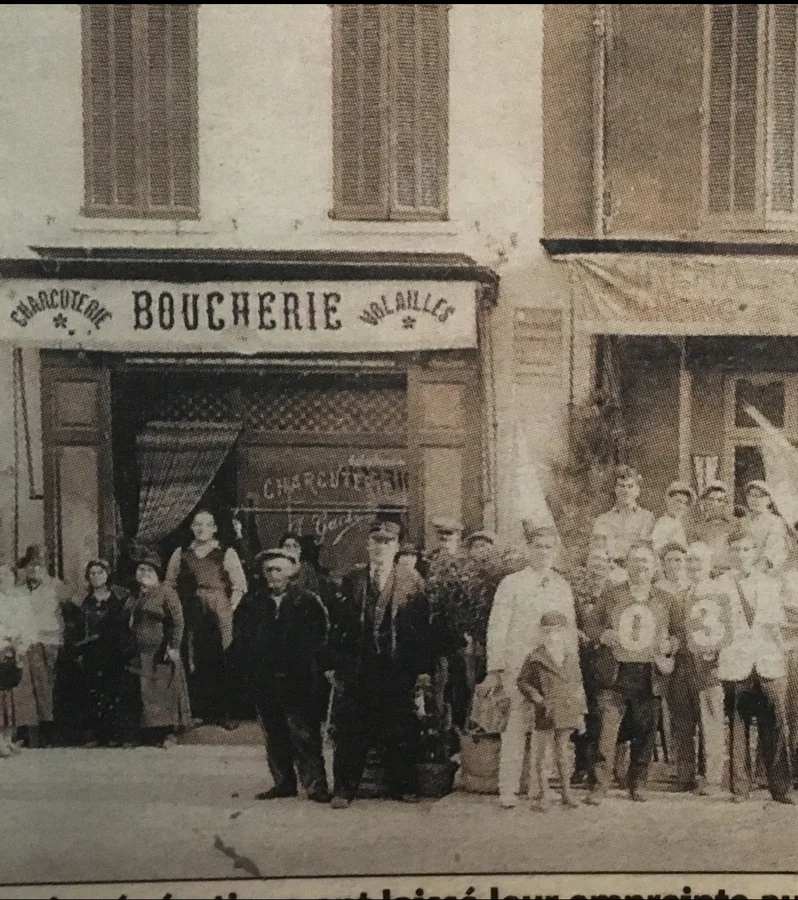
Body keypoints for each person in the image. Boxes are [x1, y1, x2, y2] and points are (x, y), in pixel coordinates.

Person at [326, 517, 432, 809]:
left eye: (387, 542)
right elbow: (337, 626)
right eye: (376, 542)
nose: (381, 548)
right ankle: (344, 790)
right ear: (368, 545)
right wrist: (334, 665)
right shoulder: (352, 580)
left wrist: (422, 671)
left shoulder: (412, 581)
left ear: (396, 546)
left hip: (397, 666)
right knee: (351, 728)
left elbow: (421, 630)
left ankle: (405, 786)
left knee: (400, 725)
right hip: (359, 667)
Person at [485, 523, 577, 809]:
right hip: (518, 667)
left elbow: (569, 630)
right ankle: (508, 788)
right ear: (529, 550)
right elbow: (497, 627)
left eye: (549, 547)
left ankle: (540, 787)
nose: (544, 552)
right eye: (538, 546)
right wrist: (496, 667)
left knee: (546, 727)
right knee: (515, 726)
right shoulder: (512, 584)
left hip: (550, 670)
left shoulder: (561, 585)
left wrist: (569, 670)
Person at [228, 548, 330, 803]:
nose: (273, 575)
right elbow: (240, 639)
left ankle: (315, 785)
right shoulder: (252, 603)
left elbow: (320, 640)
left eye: (279, 569)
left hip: (299, 680)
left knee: (304, 733)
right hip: (265, 680)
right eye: (269, 570)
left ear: (292, 572)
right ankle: (283, 783)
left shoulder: (307, 602)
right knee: (274, 734)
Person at [588, 541, 676, 804]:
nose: (640, 567)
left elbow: (679, 633)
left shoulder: (666, 599)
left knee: (646, 730)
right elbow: (592, 622)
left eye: (646, 562)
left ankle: (637, 783)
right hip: (615, 673)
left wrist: (669, 645)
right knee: (606, 730)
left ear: (654, 567)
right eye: (635, 561)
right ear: (626, 565)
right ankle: (598, 786)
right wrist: (603, 634)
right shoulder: (612, 594)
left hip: (649, 675)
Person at [717, 530, 795, 804]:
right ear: (729, 553)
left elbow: (778, 624)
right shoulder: (719, 586)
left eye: (747, 550)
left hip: (768, 661)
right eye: (736, 550)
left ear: (755, 553)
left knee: (775, 726)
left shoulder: (771, 584)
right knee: (738, 727)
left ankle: (781, 788)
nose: (741, 555)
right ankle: (739, 787)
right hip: (736, 662)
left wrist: (782, 653)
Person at [166, 509, 247, 729]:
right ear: (191, 528)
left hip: (219, 608)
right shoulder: (180, 553)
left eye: (207, 524)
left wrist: (228, 608)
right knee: (193, 656)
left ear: (214, 528)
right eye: (197, 524)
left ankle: (225, 713)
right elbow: (169, 585)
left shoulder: (226, 552)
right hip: (191, 609)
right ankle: (197, 712)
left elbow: (239, 586)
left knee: (223, 656)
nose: (202, 529)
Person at [666, 542, 732, 795]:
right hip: (682, 666)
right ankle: (685, 773)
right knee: (681, 720)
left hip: (708, 666)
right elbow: (673, 630)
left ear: (708, 564)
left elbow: (727, 630)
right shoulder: (680, 595)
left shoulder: (719, 593)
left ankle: (712, 777)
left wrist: (716, 650)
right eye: (689, 562)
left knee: (711, 720)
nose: (693, 567)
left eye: (698, 562)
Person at [57, 560, 139, 747]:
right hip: (90, 651)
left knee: (113, 691)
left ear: (107, 574)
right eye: (92, 574)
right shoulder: (84, 601)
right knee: (92, 691)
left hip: (112, 651)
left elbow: (124, 624)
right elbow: (77, 627)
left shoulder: (118, 598)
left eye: (99, 573)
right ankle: (94, 735)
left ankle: (115, 734)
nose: (95, 577)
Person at [517, 610, 587, 811]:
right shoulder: (535, 657)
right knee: (542, 754)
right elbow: (522, 681)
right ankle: (544, 795)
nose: (552, 635)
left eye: (557, 631)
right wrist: (536, 697)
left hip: (566, 709)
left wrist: (581, 712)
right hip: (546, 710)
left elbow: (577, 685)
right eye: (547, 631)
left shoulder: (570, 656)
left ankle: (567, 792)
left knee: (563, 752)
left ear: (564, 632)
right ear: (541, 633)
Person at [571, 546, 626, 787]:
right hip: (580, 660)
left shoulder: (617, 593)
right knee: (582, 714)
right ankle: (581, 765)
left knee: (607, 714)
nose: (598, 570)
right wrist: (581, 635)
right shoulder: (576, 593)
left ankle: (613, 768)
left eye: (603, 565)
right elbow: (569, 621)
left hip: (607, 662)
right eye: (594, 565)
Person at [128, 552, 192, 746]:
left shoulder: (166, 592)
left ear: (158, 573)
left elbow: (178, 621)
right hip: (142, 653)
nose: (144, 573)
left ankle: (168, 734)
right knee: (148, 694)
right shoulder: (136, 595)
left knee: (164, 690)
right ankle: (151, 734)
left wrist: (173, 647)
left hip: (161, 651)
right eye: (141, 569)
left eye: (149, 570)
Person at [16, 545, 70, 747]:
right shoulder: (20, 588)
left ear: (45, 566)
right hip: (29, 642)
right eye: (31, 565)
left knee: (49, 686)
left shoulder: (56, 587)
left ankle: (49, 731)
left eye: (39, 565)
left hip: (51, 641)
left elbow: (68, 614)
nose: (34, 569)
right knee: (30, 688)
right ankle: (32, 733)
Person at [0, 564, 37, 757]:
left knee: (13, 698)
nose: (3, 579)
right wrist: (5, 642)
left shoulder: (22, 599)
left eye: (7, 575)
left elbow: (29, 623)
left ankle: (9, 738)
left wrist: (22, 643)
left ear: (14, 577)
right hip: (1, 650)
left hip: (18, 651)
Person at [591, 466, 655, 566]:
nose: (625, 491)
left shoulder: (647, 518)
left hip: (636, 568)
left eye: (630, 486)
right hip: (609, 569)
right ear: (615, 489)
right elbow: (598, 549)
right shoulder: (603, 520)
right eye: (621, 486)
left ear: (637, 490)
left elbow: (644, 548)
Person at [742, 480, 790, 574]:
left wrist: (754, 570)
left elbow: (774, 550)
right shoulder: (743, 521)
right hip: (743, 569)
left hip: (764, 572)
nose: (754, 499)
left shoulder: (775, 521)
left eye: (759, 496)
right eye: (751, 495)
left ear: (768, 500)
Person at [694, 481, 735, 578]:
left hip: (727, 574)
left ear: (726, 503)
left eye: (720, 500)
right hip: (703, 573)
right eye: (711, 499)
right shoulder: (698, 527)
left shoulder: (732, 526)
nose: (715, 503)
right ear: (703, 501)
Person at [651, 482, 695, 557]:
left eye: (685, 503)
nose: (681, 506)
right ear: (668, 500)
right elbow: (657, 550)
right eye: (678, 501)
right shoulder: (662, 523)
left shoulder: (681, 524)